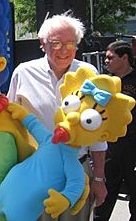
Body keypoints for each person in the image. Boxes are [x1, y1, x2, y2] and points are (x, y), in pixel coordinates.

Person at [7, 13, 107, 221]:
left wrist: (98, 177)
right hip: (36, 171)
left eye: (70, 44)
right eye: (56, 43)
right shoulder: (23, 73)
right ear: (43, 43)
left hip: (77, 169)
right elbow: (11, 123)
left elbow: (98, 133)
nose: (64, 50)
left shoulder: (89, 74)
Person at [94, 40, 136, 221]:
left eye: (110, 58)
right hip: (110, 145)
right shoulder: (104, 82)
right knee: (104, 194)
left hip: (133, 145)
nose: (106, 61)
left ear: (124, 57)